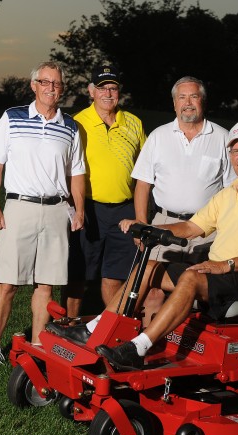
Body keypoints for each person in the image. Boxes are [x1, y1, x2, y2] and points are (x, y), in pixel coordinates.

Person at [50, 120, 238, 371]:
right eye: (235, 151)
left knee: (190, 277)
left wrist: (225, 265)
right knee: (149, 268)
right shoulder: (228, 193)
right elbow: (191, 228)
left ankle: (138, 348)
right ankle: (95, 329)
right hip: (216, 272)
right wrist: (148, 229)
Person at [0, 61, 86, 374]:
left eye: (57, 84)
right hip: (19, 207)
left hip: (56, 211)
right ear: (34, 86)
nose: (51, 88)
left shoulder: (70, 127)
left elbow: (76, 172)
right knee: (8, 282)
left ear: (61, 89)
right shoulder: (12, 118)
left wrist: (79, 209)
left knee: (46, 286)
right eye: (45, 82)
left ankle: (38, 348)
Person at [130, 76, 236, 324]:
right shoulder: (159, 136)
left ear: (203, 102)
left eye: (194, 96)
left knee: (201, 290)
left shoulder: (223, 138)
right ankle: (146, 349)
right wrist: (142, 225)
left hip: (208, 228)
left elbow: (233, 189)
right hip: (165, 222)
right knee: (153, 287)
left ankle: (187, 348)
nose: (188, 103)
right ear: (174, 103)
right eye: (182, 97)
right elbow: (143, 184)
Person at [62, 65, 146, 318]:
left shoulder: (133, 122)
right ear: (91, 91)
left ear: (119, 91)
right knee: (79, 274)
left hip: (125, 209)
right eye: (102, 88)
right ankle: (69, 325)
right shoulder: (77, 122)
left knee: (116, 274)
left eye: (113, 88)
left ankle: (110, 329)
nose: (108, 93)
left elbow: (146, 167)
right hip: (88, 207)